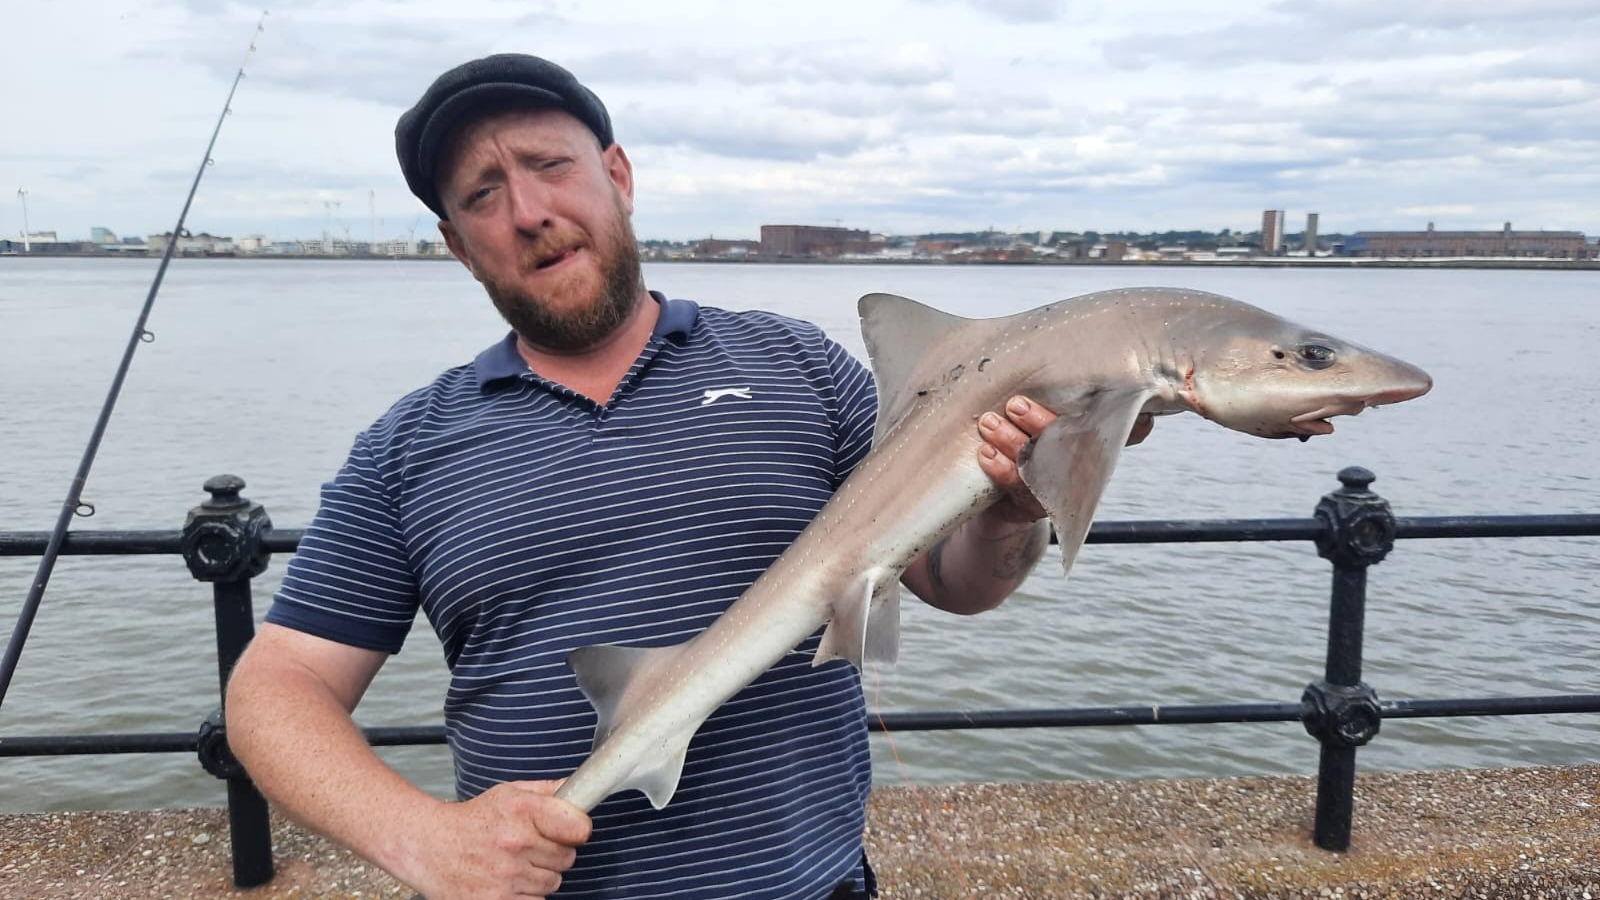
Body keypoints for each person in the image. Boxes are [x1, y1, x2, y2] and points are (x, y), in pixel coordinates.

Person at [225, 53, 1151, 900]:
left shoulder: (802, 369)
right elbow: (277, 687)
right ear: (458, 244)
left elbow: (955, 585)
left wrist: (1010, 511)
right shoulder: (407, 448)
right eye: (482, 193)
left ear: (618, 177)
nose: (529, 210)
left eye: (550, 165)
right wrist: (421, 837)